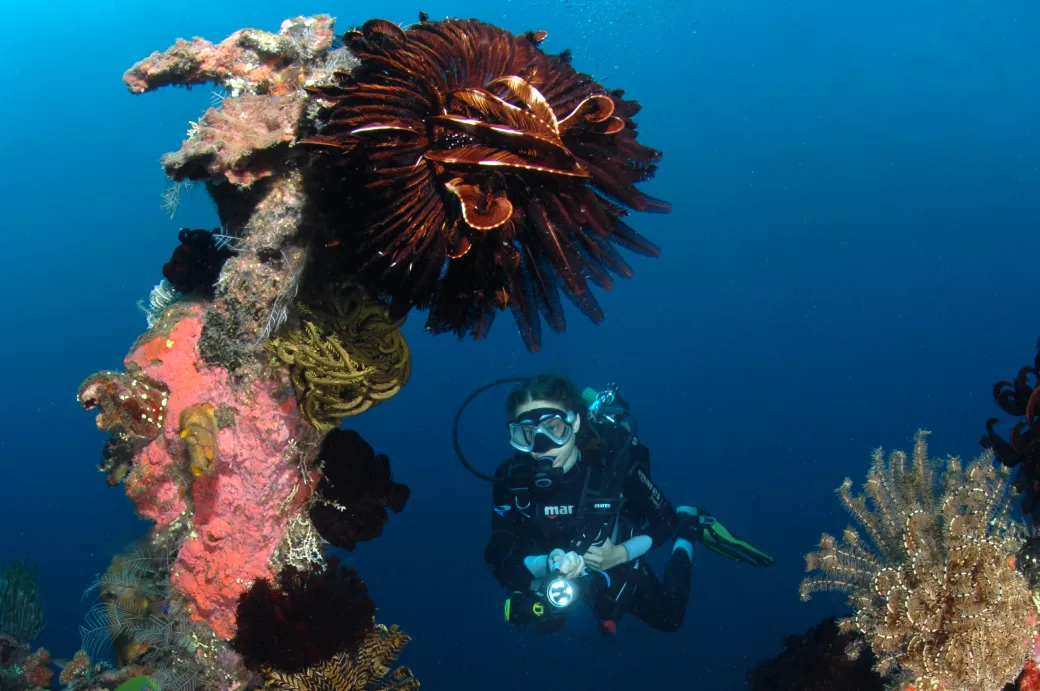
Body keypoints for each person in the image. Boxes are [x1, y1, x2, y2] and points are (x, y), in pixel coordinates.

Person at [484, 374, 773, 637]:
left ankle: (692, 527)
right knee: (547, 622)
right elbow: (500, 553)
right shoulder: (511, 479)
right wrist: (547, 564)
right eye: (526, 434)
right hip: (549, 573)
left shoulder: (613, 466)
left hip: (614, 555)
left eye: (553, 428)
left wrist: (620, 554)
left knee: (669, 618)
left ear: (575, 422)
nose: (541, 445)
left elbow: (665, 522)